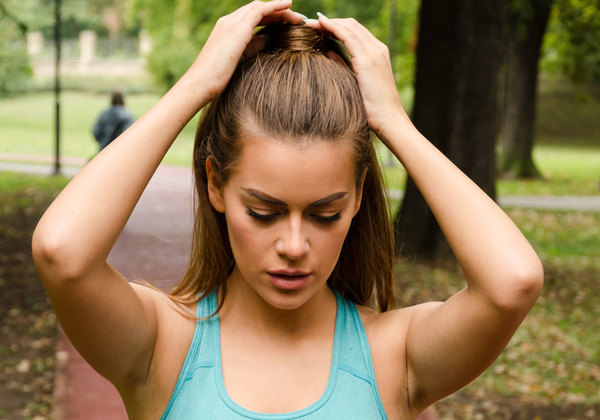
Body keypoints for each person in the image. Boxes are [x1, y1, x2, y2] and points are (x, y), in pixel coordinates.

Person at [32, 1, 543, 418]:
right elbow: (62, 251)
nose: (295, 247)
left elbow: (513, 282)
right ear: (216, 186)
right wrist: (197, 85)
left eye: (325, 214)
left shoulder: (394, 356)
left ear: (359, 197)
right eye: (263, 212)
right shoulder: (162, 346)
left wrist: (396, 125)